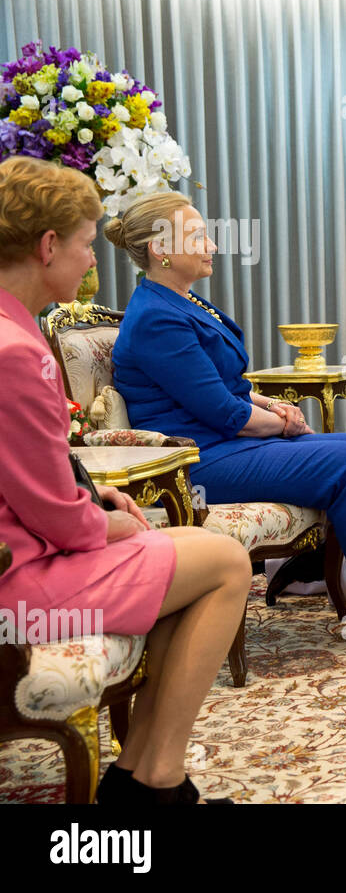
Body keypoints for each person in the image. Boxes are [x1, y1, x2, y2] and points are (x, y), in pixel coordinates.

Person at [0, 157, 251, 804]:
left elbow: (31, 470)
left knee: (189, 556)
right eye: (85, 244)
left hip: (23, 553)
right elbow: (57, 520)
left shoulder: (13, 329)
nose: (92, 262)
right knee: (225, 560)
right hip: (18, 583)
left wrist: (91, 493)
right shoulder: (16, 352)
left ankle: (141, 775)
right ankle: (157, 780)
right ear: (48, 245)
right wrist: (101, 520)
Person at [108, 193, 346, 652]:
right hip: (201, 459)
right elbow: (225, 412)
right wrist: (282, 423)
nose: (211, 244)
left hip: (232, 444)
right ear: (160, 249)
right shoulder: (156, 318)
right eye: (199, 235)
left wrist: (271, 405)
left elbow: (229, 386)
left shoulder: (183, 303)